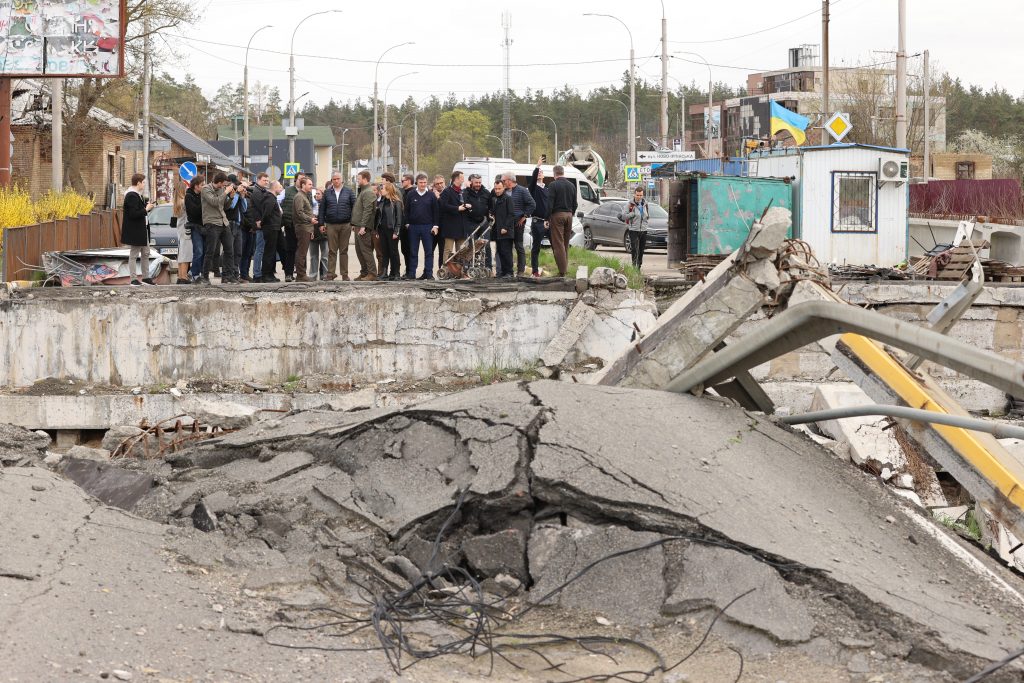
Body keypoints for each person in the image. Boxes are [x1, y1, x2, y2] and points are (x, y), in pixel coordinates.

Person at [201, 172, 238, 284]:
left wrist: (230, 198)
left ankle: (227, 276)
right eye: (223, 184)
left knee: (229, 250)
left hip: (223, 222)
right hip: (212, 222)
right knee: (210, 251)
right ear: (220, 182)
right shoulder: (206, 189)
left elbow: (225, 206)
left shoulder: (222, 190)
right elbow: (214, 202)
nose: (224, 187)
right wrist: (226, 192)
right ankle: (205, 276)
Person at [319, 170, 355, 281]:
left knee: (344, 250)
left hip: (346, 224)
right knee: (332, 251)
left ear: (342, 179)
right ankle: (330, 273)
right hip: (331, 225)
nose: (336, 181)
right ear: (332, 181)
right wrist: (321, 224)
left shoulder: (349, 192)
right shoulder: (327, 193)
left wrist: (353, 223)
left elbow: (355, 208)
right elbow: (322, 209)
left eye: (338, 178)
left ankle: (345, 274)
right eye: (334, 179)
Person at [403, 173, 440, 280]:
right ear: (417, 183)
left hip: (427, 227)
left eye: (424, 182)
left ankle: (428, 274)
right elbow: (406, 210)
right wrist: (407, 223)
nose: (423, 184)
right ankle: (411, 274)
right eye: (421, 182)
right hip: (413, 227)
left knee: (429, 252)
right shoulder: (411, 194)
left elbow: (435, 212)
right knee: (413, 252)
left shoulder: (431, 195)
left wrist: (435, 226)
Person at [121, 173, 155, 286]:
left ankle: (146, 277)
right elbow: (133, 214)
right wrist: (146, 209)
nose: (144, 184)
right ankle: (133, 279)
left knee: (146, 253)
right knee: (134, 254)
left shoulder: (137, 195)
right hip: (136, 231)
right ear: (138, 183)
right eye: (144, 182)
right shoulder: (131, 195)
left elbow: (140, 211)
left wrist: (147, 208)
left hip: (142, 230)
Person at [501, 172, 536, 276]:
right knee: (507, 248)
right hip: (505, 224)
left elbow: (532, 204)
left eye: (504, 180)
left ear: (509, 181)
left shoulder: (522, 190)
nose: (502, 182)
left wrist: (524, 216)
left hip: (517, 224)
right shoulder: (503, 191)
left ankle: (520, 271)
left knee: (519, 246)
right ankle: (508, 271)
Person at [546, 164, 578, 278]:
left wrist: (547, 217)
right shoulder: (571, 185)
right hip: (569, 215)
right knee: (565, 243)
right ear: (563, 173)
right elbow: (575, 203)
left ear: (554, 174)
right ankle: (564, 268)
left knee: (558, 244)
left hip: (557, 215)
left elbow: (550, 204)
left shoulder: (553, 185)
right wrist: (571, 213)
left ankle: (562, 271)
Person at [252, 174, 283, 282]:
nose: (281, 188)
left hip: (273, 227)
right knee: (267, 252)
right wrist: (262, 222)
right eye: (280, 187)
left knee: (271, 251)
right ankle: (265, 275)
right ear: (275, 188)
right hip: (270, 227)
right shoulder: (269, 198)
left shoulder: (271, 197)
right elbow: (266, 213)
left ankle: (269, 274)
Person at [439, 171, 470, 268]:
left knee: (462, 250)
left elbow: (463, 203)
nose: (463, 180)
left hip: (461, 226)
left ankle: (460, 270)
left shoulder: (462, 191)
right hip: (450, 226)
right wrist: (457, 208)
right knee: (448, 250)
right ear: (456, 179)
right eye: (462, 178)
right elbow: (443, 206)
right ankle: (445, 269)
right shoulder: (447, 191)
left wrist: (467, 206)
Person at [462, 173, 492, 274]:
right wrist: (467, 189)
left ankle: (488, 268)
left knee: (486, 245)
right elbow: (463, 202)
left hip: (484, 223)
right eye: (476, 182)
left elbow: (491, 206)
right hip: (471, 222)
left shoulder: (486, 193)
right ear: (471, 182)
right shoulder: (466, 192)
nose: (478, 184)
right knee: (472, 246)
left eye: (479, 182)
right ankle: (469, 267)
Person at [351, 170, 378, 281]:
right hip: (357, 226)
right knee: (359, 251)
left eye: (359, 178)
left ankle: (372, 274)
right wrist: (354, 223)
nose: (357, 180)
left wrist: (363, 226)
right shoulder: (362, 191)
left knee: (366, 251)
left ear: (365, 179)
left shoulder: (368, 192)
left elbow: (368, 210)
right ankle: (364, 272)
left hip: (363, 228)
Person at [375, 180, 404, 280]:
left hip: (392, 231)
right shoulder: (382, 202)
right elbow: (379, 217)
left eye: (382, 189)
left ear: (388, 190)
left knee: (394, 252)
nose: (381, 190)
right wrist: (377, 230)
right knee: (384, 252)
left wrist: (396, 231)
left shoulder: (397, 202)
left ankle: (396, 273)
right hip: (382, 230)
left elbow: (399, 219)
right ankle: (384, 272)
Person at [279, 173, 305, 282]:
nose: (303, 181)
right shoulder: (287, 191)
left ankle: (301, 274)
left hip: (303, 226)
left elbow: (313, 206)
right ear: (295, 180)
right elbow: (277, 201)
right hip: (290, 225)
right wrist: (282, 213)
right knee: (290, 250)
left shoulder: (307, 192)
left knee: (302, 250)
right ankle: (288, 274)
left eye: (304, 179)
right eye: (300, 179)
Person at [527, 158, 550, 277]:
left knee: (556, 246)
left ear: (544, 176)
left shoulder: (547, 189)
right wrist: (537, 166)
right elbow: (532, 179)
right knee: (536, 248)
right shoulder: (533, 188)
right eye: (538, 172)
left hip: (548, 222)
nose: (540, 173)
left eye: (542, 171)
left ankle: (561, 270)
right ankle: (535, 271)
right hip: (537, 222)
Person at [489, 179, 515, 278]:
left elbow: (511, 214)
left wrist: (505, 227)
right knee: (500, 252)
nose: (497, 191)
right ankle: (503, 272)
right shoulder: (495, 199)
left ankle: (509, 272)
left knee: (506, 252)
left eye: (499, 189)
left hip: (506, 231)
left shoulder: (508, 199)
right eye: (495, 189)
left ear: (504, 188)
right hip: (497, 231)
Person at [620, 187, 650, 270]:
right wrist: (632, 214)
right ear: (634, 194)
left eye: (641, 195)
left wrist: (645, 223)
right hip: (633, 230)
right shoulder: (630, 204)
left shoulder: (645, 204)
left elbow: (647, 216)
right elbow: (623, 216)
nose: (639, 197)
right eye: (637, 195)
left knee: (641, 250)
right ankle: (634, 267)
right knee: (634, 249)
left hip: (643, 230)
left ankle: (639, 267)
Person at [292, 177, 316, 281]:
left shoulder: (304, 196)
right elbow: (299, 212)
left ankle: (302, 274)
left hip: (306, 227)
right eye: (309, 184)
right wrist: (310, 219)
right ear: (303, 185)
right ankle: (301, 275)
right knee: (301, 252)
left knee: (303, 251)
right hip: (302, 228)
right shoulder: (299, 196)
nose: (312, 186)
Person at [184, 176, 205, 283]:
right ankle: (194, 273)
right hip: (195, 226)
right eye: (202, 185)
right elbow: (194, 212)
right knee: (199, 251)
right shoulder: (188, 196)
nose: (203, 187)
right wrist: (204, 202)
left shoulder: (202, 195)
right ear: (196, 186)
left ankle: (195, 273)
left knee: (204, 251)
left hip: (204, 227)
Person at [308, 184, 328, 279]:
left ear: (323, 195)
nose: (316, 195)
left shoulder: (327, 206)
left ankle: (325, 275)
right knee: (313, 256)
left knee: (325, 256)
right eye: (315, 194)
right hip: (313, 233)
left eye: (319, 194)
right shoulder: (311, 204)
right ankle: (313, 275)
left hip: (324, 234)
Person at [172, 179, 190, 282]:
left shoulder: (176, 202)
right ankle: (184, 276)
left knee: (181, 253)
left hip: (180, 229)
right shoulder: (184, 202)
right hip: (186, 229)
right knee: (185, 254)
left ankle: (180, 276)